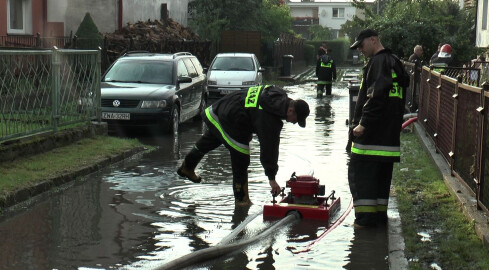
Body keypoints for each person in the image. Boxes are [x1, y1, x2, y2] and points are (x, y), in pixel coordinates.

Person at [177, 85, 310, 205]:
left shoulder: (277, 93)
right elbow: (269, 150)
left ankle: (187, 167)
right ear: (291, 111)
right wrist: (272, 179)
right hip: (231, 118)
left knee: (212, 139)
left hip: (223, 108)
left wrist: (248, 128)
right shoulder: (270, 120)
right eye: (296, 120)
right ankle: (242, 200)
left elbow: (252, 109)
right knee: (241, 157)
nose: (294, 123)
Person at [348, 29, 410, 228]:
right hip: (387, 139)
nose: (361, 50)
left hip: (370, 138)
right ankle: (378, 219)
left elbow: (376, 96)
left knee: (361, 179)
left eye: (362, 45)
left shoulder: (379, 62)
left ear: (373, 40)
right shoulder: (395, 62)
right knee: (381, 183)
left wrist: (362, 124)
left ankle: (365, 225)